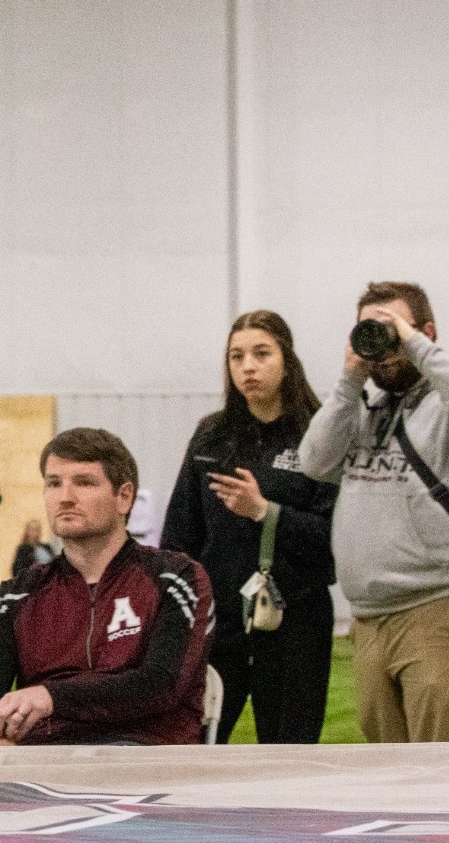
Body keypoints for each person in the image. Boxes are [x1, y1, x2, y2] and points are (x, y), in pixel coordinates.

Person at [0, 428, 215, 749]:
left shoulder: (176, 577)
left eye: (84, 483)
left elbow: (162, 683)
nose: (65, 497)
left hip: (138, 750)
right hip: (39, 754)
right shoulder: (20, 592)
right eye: (53, 483)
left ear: (123, 497)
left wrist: (51, 697)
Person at [161, 310, 336, 744]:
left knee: (288, 753)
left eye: (262, 354)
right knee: (194, 746)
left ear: (287, 359)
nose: (248, 367)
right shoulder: (211, 437)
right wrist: (180, 615)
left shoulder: (320, 433)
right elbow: (180, 536)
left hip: (295, 620)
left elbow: (335, 541)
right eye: (236, 357)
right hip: (219, 623)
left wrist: (264, 511)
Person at [296, 281, 449, 744]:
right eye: (369, 328)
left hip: (432, 610)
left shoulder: (439, 409)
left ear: (425, 332)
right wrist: (349, 379)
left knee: (436, 765)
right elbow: (315, 462)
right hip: (367, 617)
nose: (383, 343)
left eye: (391, 329)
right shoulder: (363, 407)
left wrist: (414, 344)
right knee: (386, 773)